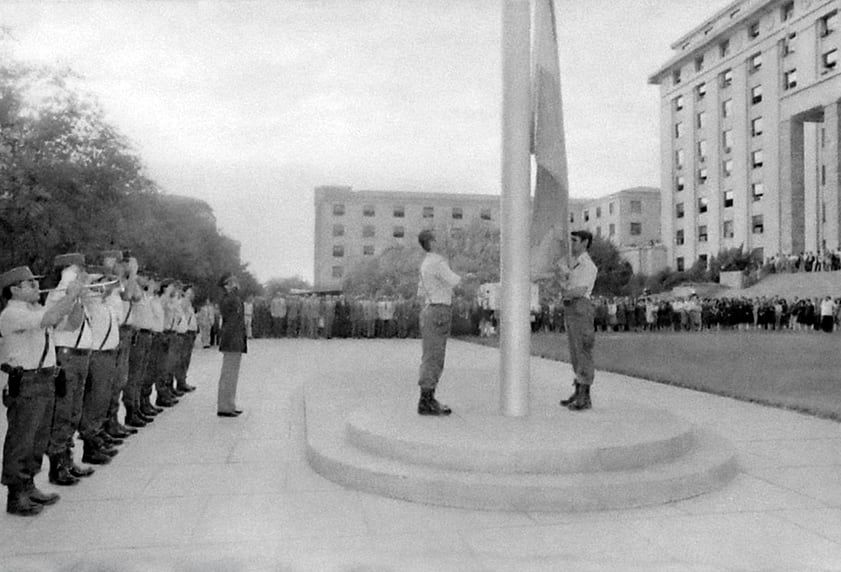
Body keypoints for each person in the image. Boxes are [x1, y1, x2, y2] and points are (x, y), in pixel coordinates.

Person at [0, 266, 82, 516]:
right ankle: (16, 494)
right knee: (22, 439)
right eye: (30, 284)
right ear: (14, 290)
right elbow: (49, 319)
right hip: (25, 381)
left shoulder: (34, 310)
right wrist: (69, 296)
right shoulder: (11, 313)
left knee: (37, 438)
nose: (37, 287)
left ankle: (29, 485)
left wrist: (76, 299)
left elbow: (71, 324)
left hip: (43, 379)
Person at [534, 230, 598, 411]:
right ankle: (579, 389)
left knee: (583, 350)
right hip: (572, 308)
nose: (572, 244)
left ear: (585, 243)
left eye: (575, 240)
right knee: (575, 351)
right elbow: (569, 284)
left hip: (580, 307)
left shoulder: (588, 265)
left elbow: (579, 290)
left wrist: (562, 292)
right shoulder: (576, 264)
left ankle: (584, 395)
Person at [415, 229, 470, 416]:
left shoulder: (425, 264)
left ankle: (427, 397)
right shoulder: (437, 262)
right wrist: (469, 279)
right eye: (436, 239)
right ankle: (426, 401)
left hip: (430, 309)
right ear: (431, 242)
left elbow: (421, 292)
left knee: (430, 355)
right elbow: (456, 282)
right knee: (435, 357)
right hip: (439, 310)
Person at [217, 272, 246, 417]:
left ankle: (229, 404)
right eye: (233, 282)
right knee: (228, 374)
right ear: (227, 285)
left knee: (232, 375)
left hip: (235, 340)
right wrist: (234, 290)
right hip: (231, 340)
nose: (236, 284)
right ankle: (224, 407)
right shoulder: (228, 299)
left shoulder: (233, 298)